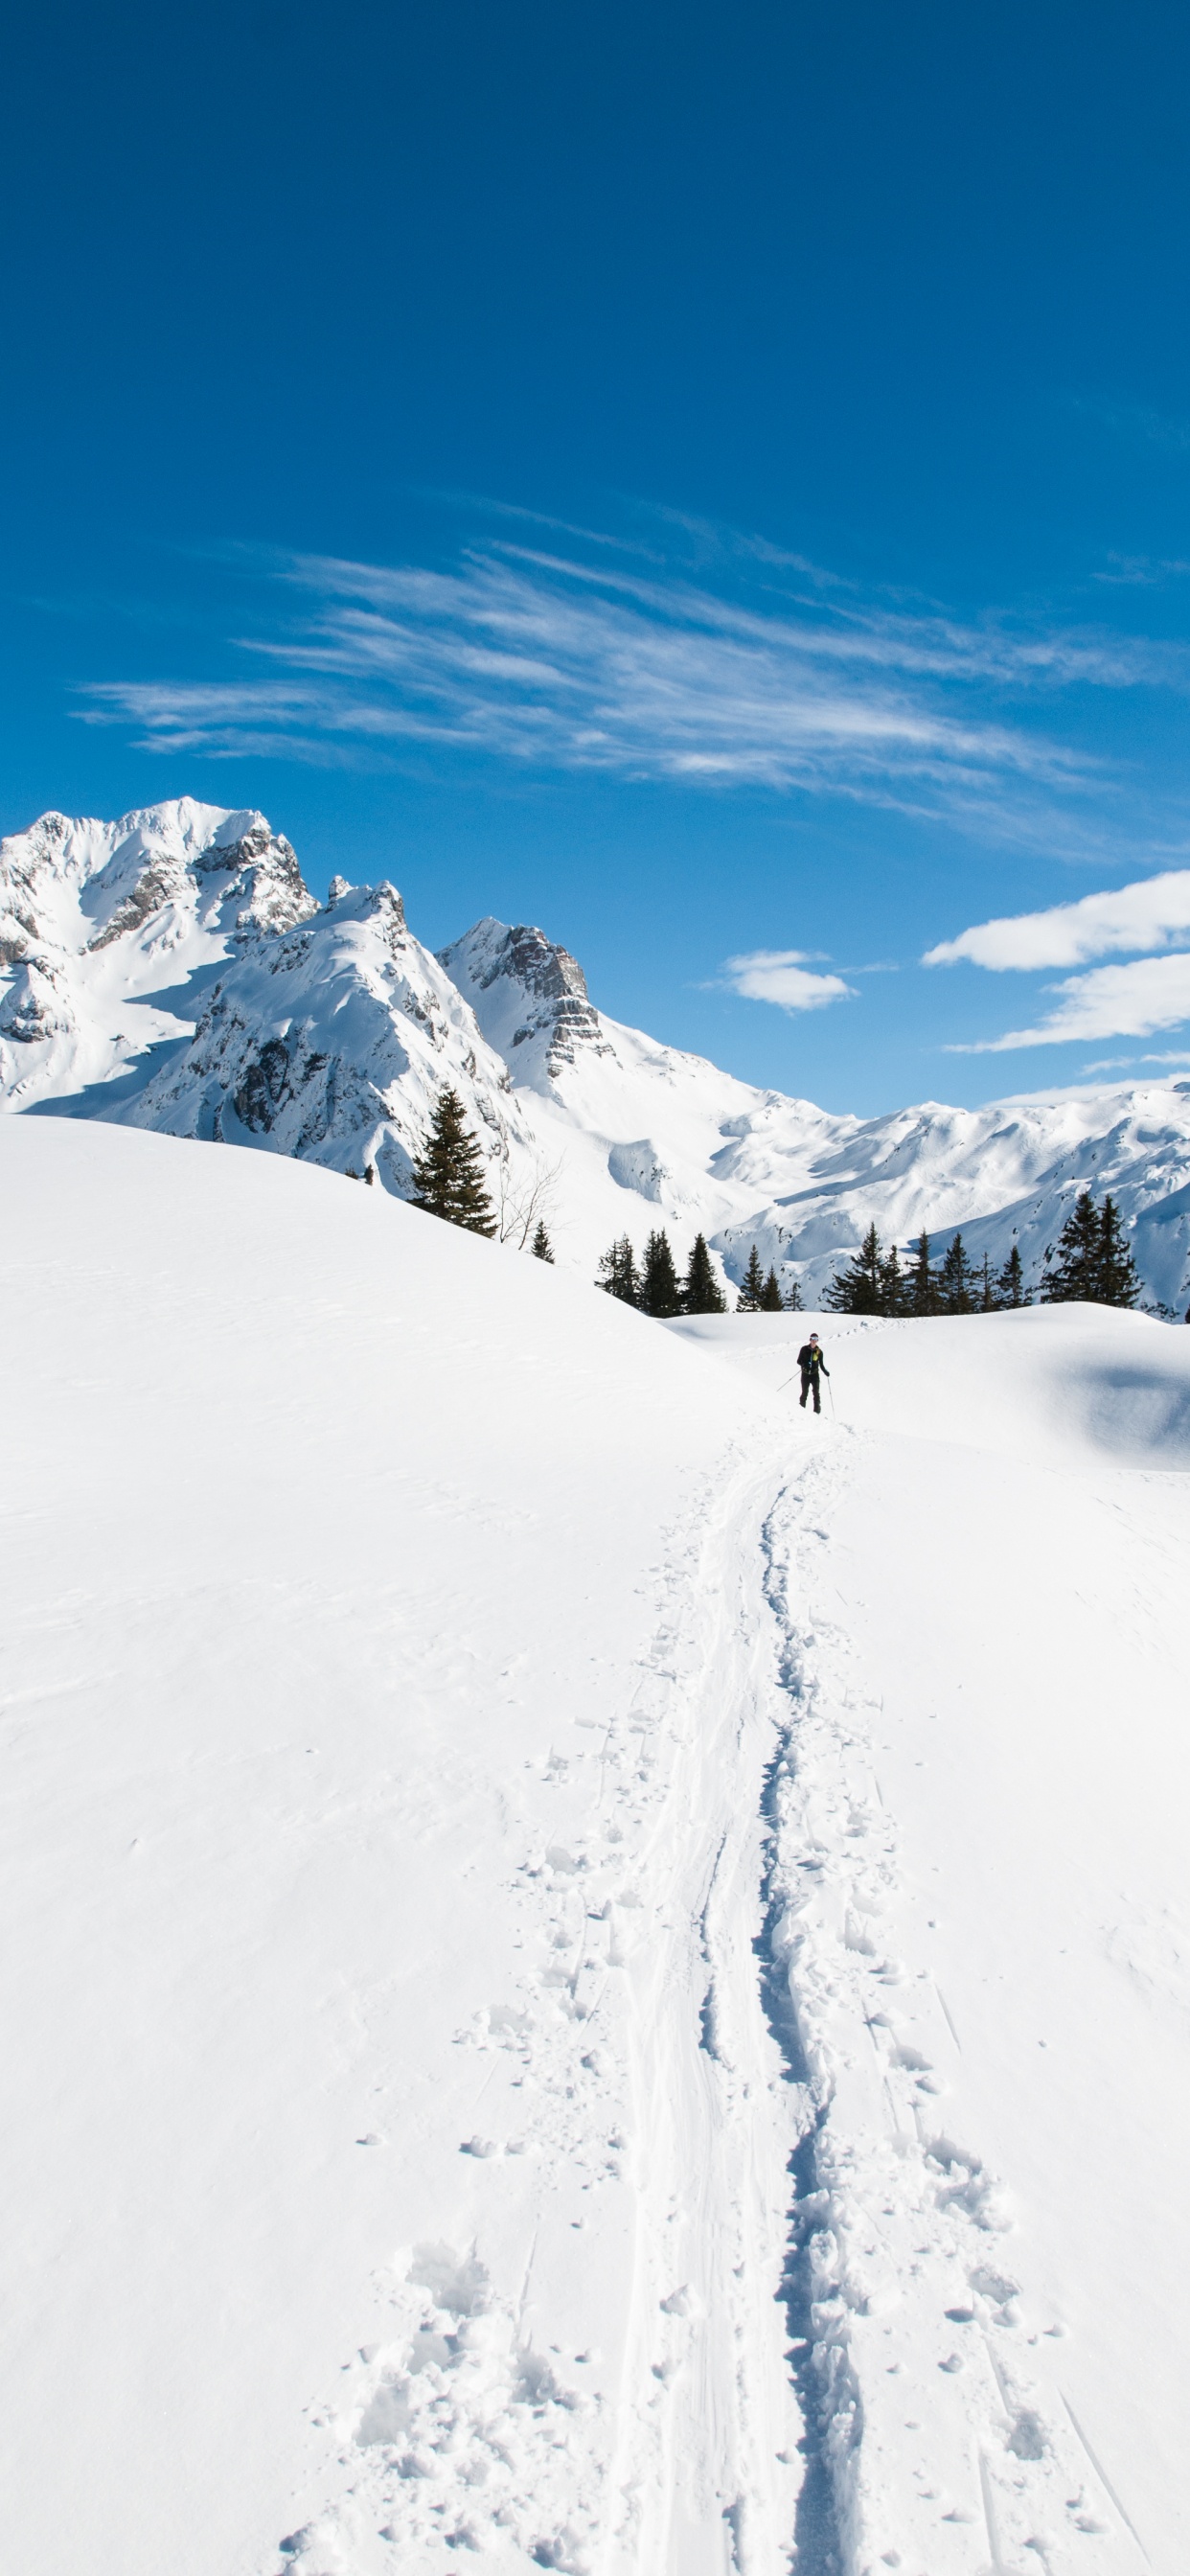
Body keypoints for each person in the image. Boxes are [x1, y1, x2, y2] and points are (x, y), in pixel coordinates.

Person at [797, 1332, 829, 1414]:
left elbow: (821, 1365)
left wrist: (825, 1372)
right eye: (813, 1339)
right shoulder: (804, 1349)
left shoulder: (819, 1352)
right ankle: (801, 1409)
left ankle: (817, 1411)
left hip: (815, 1375)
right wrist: (804, 1364)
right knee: (805, 1392)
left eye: (816, 1339)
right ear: (810, 1339)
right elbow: (798, 1361)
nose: (814, 1341)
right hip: (805, 1374)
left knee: (816, 1393)